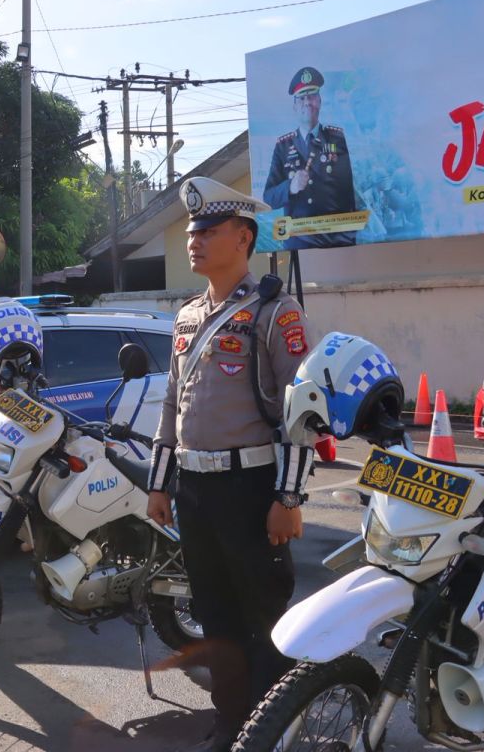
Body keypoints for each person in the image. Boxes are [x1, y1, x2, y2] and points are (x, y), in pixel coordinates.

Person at [146, 177, 316, 752]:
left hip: (251, 488)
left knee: (263, 615)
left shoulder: (274, 310)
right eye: (192, 232)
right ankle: (231, 725)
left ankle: (275, 728)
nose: (194, 241)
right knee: (215, 614)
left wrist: (288, 498)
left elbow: (300, 411)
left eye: (208, 231)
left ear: (243, 238)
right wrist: (159, 483)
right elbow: (173, 403)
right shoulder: (189, 315)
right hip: (194, 488)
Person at [262, 66, 358, 249]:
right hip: (299, 241)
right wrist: (290, 187)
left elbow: (347, 191)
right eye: (302, 98)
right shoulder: (283, 146)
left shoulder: (336, 137)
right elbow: (268, 198)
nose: (307, 102)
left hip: (335, 239)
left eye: (312, 96)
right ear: (295, 106)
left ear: (319, 101)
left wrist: (350, 234)